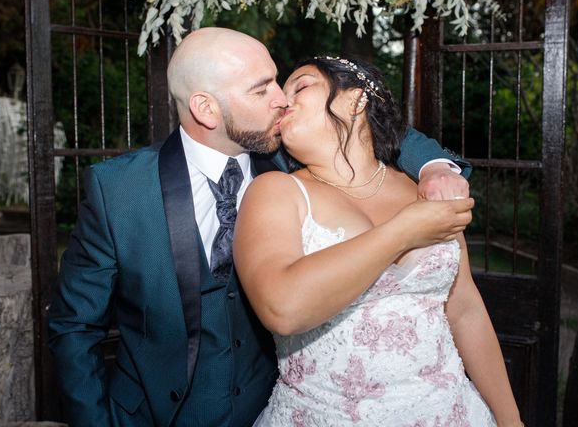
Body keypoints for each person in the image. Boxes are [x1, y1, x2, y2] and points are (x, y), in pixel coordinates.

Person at [47, 27, 472, 427]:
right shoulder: (119, 189)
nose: (282, 101)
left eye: (280, 83)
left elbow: (370, 125)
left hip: (270, 409)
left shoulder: (290, 157)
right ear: (206, 108)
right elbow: (74, 327)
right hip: (153, 415)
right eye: (261, 88)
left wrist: (436, 167)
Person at [234, 56, 522, 426]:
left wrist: (510, 419)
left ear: (356, 100)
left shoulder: (427, 188)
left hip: (452, 413)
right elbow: (282, 308)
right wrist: (403, 231)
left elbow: (465, 310)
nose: (283, 101)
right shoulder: (274, 191)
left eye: (300, 86)